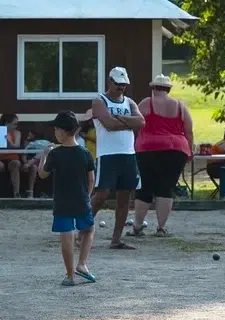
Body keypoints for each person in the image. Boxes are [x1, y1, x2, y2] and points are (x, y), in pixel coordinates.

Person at [38, 111, 97, 286]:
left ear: (62, 131)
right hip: (81, 199)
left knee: (66, 236)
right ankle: (82, 264)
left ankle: (70, 275)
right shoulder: (85, 153)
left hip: (62, 201)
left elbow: (42, 174)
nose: (54, 132)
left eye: (56, 129)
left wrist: (44, 155)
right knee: (88, 230)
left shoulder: (55, 154)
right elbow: (91, 179)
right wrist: (87, 195)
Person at [130, 74, 193, 238]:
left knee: (145, 187)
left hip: (148, 148)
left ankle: (137, 226)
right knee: (166, 187)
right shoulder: (180, 106)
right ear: (169, 89)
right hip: (176, 148)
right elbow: (189, 130)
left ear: (153, 88)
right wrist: (190, 151)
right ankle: (161, 227)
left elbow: (134, 123)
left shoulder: (146, 103)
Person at [90, 67, 145, 250]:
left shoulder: (129, 102)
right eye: (118, 84)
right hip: (107, 155)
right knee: (101, 195)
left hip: (128, 154)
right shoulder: (99, 101)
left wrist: (120, 118)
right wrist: (129, 122)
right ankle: (80, 231)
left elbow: (141, 122)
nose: (121, 87)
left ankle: (116, 238)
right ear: (109, 82)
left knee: (124, 198)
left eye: (123, 84)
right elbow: (108, 124)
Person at [0, 114, 39, 198]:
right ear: (6, 123)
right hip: (1, 158)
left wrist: (8, 140)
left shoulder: (17, 133)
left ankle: (16, 193)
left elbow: (16, 145)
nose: (16, 126)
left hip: (13, 158)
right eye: (14, 124)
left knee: (15, 163)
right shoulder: (0, 132)